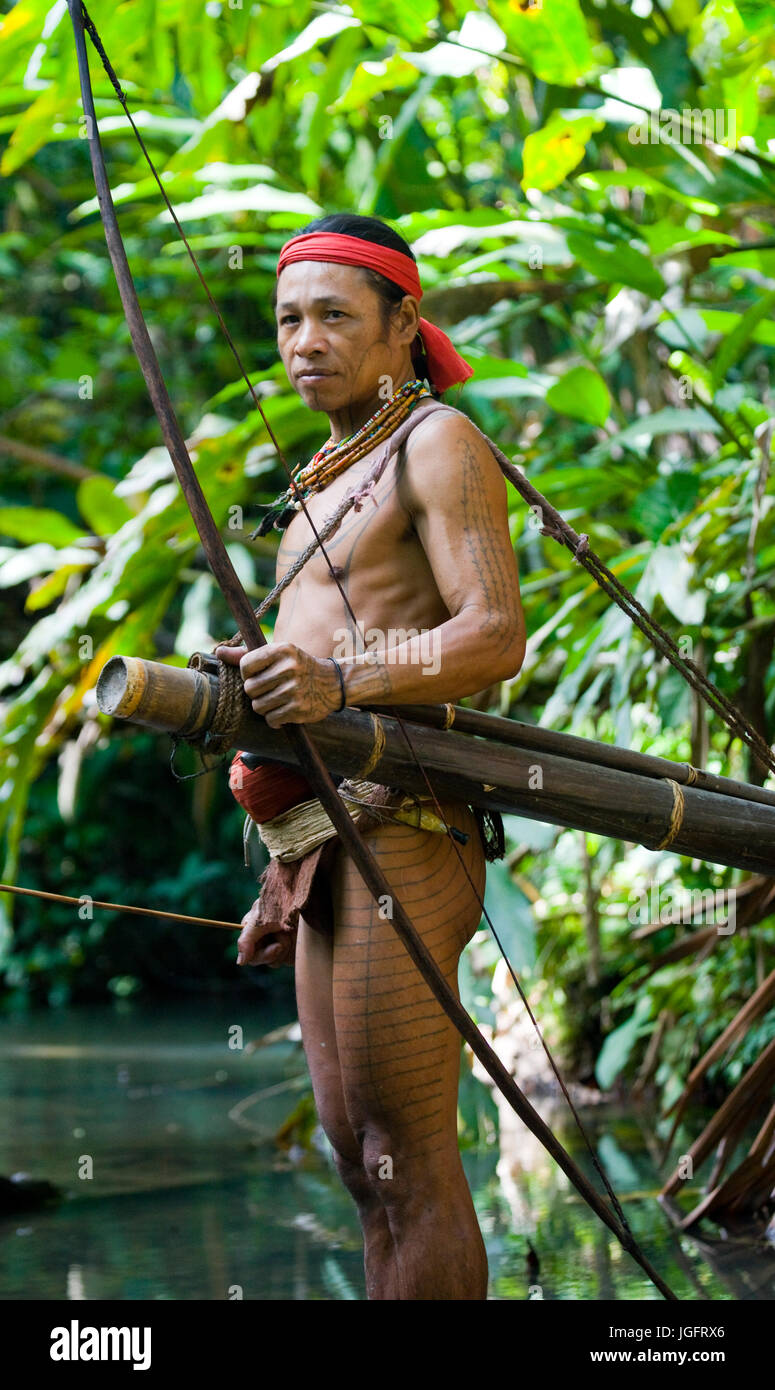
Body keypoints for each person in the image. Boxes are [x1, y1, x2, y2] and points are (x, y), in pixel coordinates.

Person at [215, 213, 526, 1300]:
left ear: (404, 324)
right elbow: (310, 660)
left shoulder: (434, 442)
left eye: (336, 316)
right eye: (290, 319)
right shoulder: (316, 475)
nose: (306, 340)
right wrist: (277, 858)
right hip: (322, 840)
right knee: (361, 1162)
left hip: (405, 821)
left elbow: (491, 634)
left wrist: (341, 682)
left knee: (408, 1151)